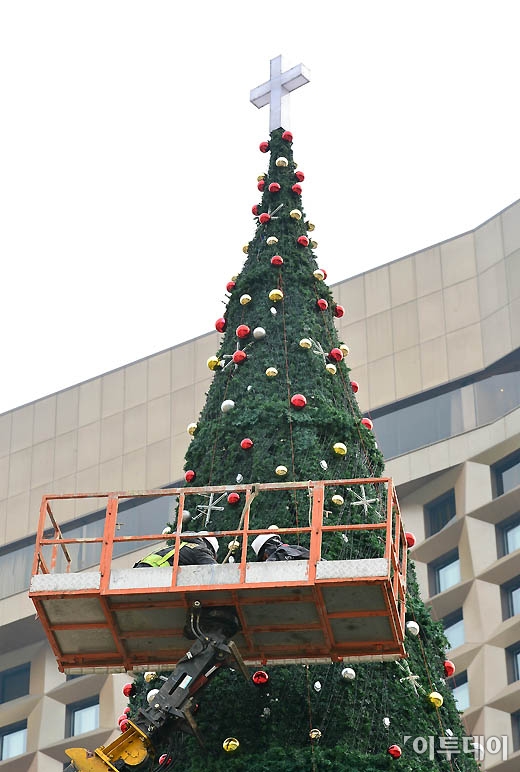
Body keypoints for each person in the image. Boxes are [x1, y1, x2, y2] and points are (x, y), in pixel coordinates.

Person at [133, 531, 219, 567]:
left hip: (144, 566)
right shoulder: (199, 550)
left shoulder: (183, 547)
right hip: (153, 569)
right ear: (210, 549)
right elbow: (214, 570)